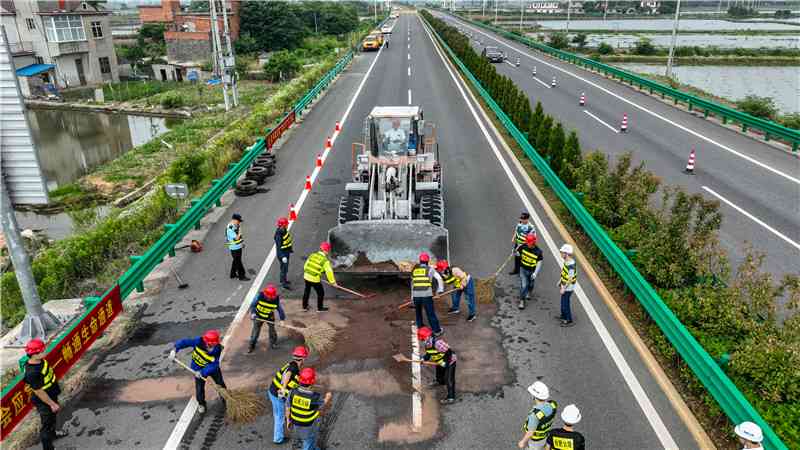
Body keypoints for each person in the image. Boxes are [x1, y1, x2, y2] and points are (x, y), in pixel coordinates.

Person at [24, 338, 68, 450]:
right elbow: (39, 391)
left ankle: (54, 434)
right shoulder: (32, 373)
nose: (45, 352)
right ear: (34, 354)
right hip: (44, 400)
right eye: (42, 351)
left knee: (52, 419)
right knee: (46, 426)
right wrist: (52, 404)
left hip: (51, 394)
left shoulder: (39, 361)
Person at [170, 330, 225, 414]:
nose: (215, 345)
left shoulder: (217, 350)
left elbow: (214, 365)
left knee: (220, 384)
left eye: (216, 343)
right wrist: (175, 349)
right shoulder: (198, 341)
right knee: (199, 389)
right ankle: (201, 404)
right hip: (197, 369)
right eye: (213, 343)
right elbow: (185, 342)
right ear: (207, 342)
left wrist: (202, 373)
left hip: (211, 369)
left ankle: (225, 398)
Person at [267, 346, 308, 445]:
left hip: (273, 391)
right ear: (302, 359)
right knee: (279, 416)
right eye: (305, 358)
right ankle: (278, 438)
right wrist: (283, 388)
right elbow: (288, 374)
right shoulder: (293, 367)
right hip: (277, 395)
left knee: (279, 413)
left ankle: (286, 421)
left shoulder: (292, 364)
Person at [286, 368, 332, 450]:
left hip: (296, 422)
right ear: (312, 381)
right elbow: (323, 403)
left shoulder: (292, 392)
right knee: (308, 440)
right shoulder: (314, 397)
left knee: (304, 437)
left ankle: (313, 447)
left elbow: (288, 407)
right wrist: (328, 396)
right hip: (309, 424)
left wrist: (288, 420)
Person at [418, 326, 457, 404]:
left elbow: (449, 352)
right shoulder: (427, 344)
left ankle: (451, 397)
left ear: (426, 337)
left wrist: (445, 363)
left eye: (422, 339)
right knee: (439, 373)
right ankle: (440, 381)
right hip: (439, 360)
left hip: (449, 361)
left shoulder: (437, 343)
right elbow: (429, 353)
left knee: (449, 379)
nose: (421, 340)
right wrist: (424, 359)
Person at [412, 252, 445, 336]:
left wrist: (412, 297)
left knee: (418, 313)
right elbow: (439, 279)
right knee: (430, 313)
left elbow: (412, 284)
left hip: (416, 296)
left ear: (420, 261)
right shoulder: (430, 269)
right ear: (427, 261)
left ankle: (420, 328)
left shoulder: (415, 270)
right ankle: (437, 331)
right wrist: (439, 291)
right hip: (426, 295)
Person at [518, 381, 558, 449]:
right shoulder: (553, 405)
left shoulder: (534, 415)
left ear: (534, 396)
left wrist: (522, 442)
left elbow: (530, 433)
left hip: (535, 443)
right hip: (546, 436)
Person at [248, 284, 286, 354]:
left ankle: (273, 343)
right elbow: (253, 305)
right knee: (255, 332)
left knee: (272, 331)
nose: (270, 299)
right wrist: (253, 313)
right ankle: (251, 345)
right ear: (265, 295)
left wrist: (282, 320)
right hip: (258, 316)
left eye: (272, 297)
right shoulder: (259, 297)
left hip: (269, 317)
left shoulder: (275, 300)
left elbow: (280, 310)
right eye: (269, 297)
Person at [302, 242, 337, 312]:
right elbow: (329, 272)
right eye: (328, 250)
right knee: (321, 293)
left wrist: (310, 273)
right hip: (314, 279)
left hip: (306, 276)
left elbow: (305, 266)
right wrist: (333, 282)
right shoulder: (325, 261)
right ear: (325, 251)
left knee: (307, 291)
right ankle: (320, 308)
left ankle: (304, 306)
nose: (328, 252)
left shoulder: (312, 255)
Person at [516, 233, 544, 310]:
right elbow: (517, 252)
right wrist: (517, 253)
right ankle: (522, 301)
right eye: (527, 242)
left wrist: (535, 273)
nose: (528, 244)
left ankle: (529, 292)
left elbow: (539, 263)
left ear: (534, 243)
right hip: (523, 269)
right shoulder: (523, 246)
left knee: (531, 284)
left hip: (532, 271)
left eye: (529, 243)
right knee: (524, 285)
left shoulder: (538, 252)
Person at [556, 244, 577, 327]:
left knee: (565, 304)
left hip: (568, 288)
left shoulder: (571, 266)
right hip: (564, 284)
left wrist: (564, 288)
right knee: (563, 303)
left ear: (566, 254)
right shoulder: (567, 262)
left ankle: (568, 320)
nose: (561, 254)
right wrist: (560, 281)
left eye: (562, 253)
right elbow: (564, 273)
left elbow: (570, 279)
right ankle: (563, 316)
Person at [226, 213, 250, 281]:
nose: (239, 222)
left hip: (238, 246)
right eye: (238, 221)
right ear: (234, 220)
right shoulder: (230, 228)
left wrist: (241, 243)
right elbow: (236, 238)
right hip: (234, 247)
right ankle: (241, 276)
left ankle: (232, 274)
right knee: (238, 262)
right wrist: (240, 232)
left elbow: (240, 237)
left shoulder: (237, 225)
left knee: (236, 260)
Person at [274, 217, 293, 290]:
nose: (287, 225)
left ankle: (283, 280)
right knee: (284, 269)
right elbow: (279, 248)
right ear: (282, 225)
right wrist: (282, 257)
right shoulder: (279, 235)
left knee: (284, 268)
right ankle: (284, 283)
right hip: (283, 254)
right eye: (286, 224)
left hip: (286, 252)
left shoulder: (283, 230)